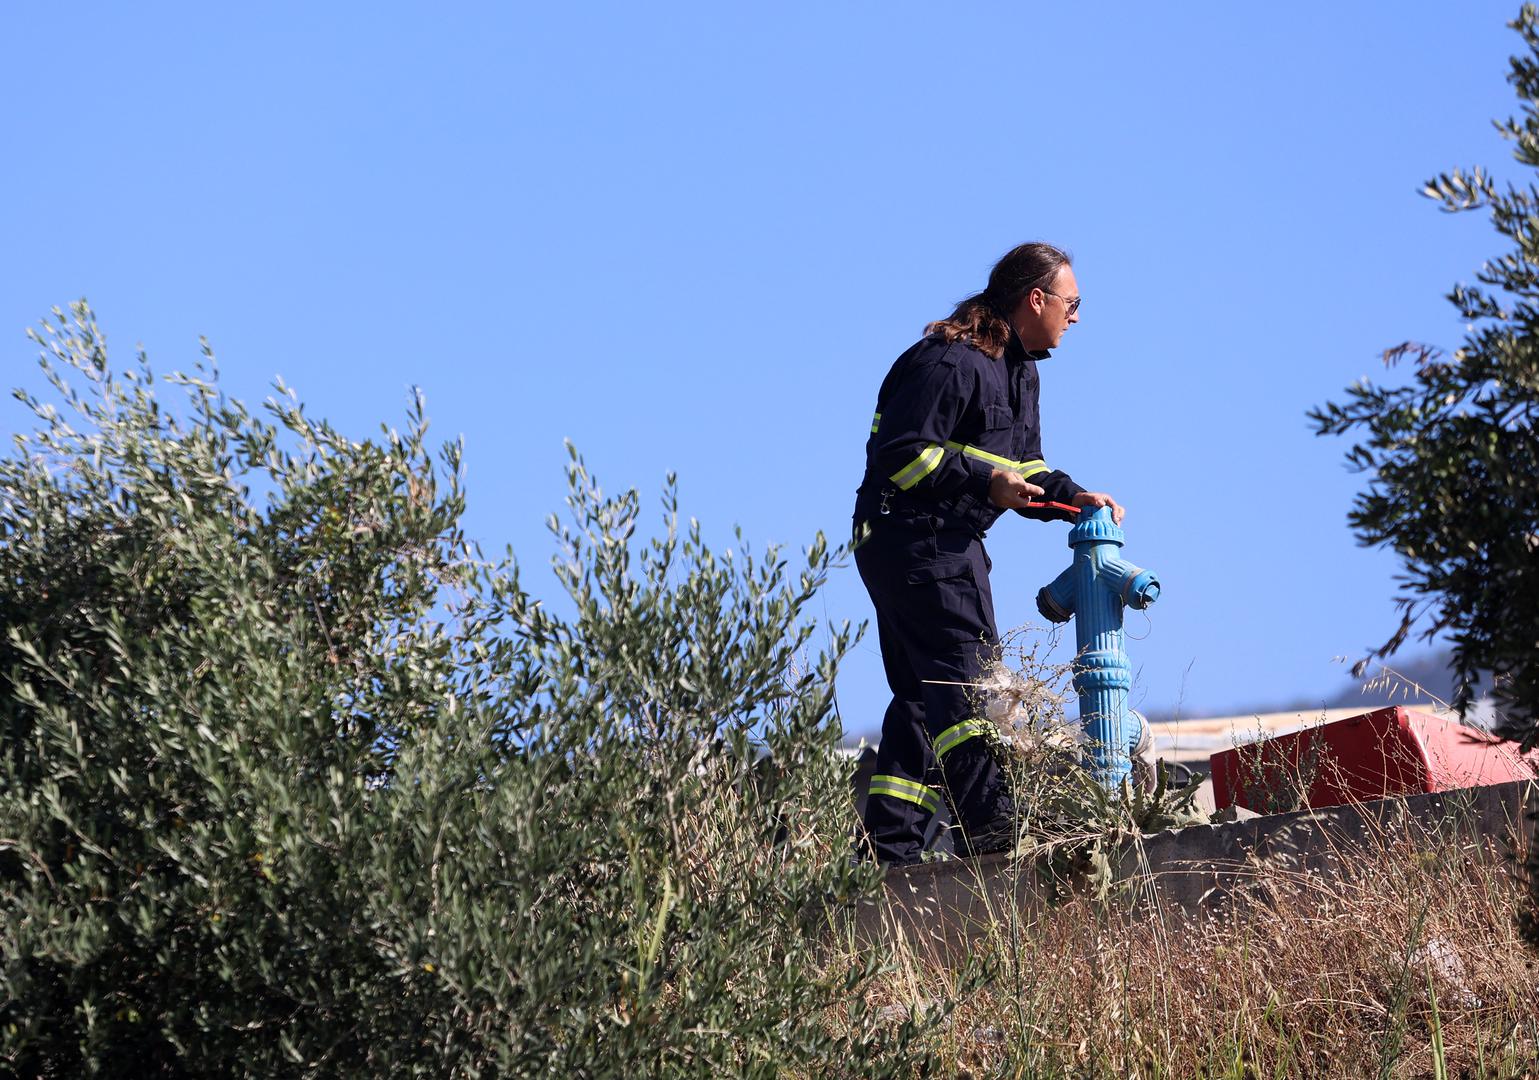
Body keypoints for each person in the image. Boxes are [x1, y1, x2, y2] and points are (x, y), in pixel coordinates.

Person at [851, 242, 1124, 866]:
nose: (1076, 317)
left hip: (931, 546)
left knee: (925, 695)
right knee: (967, 690)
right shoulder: (950, 362)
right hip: (917, 543)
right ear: (1037, 299)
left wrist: (1075, 498)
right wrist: (981, 482)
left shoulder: (1022, 372)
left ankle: (888, 851)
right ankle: (994, 844)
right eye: (1072, 303)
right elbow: (899, 453)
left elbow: (1023, 469)